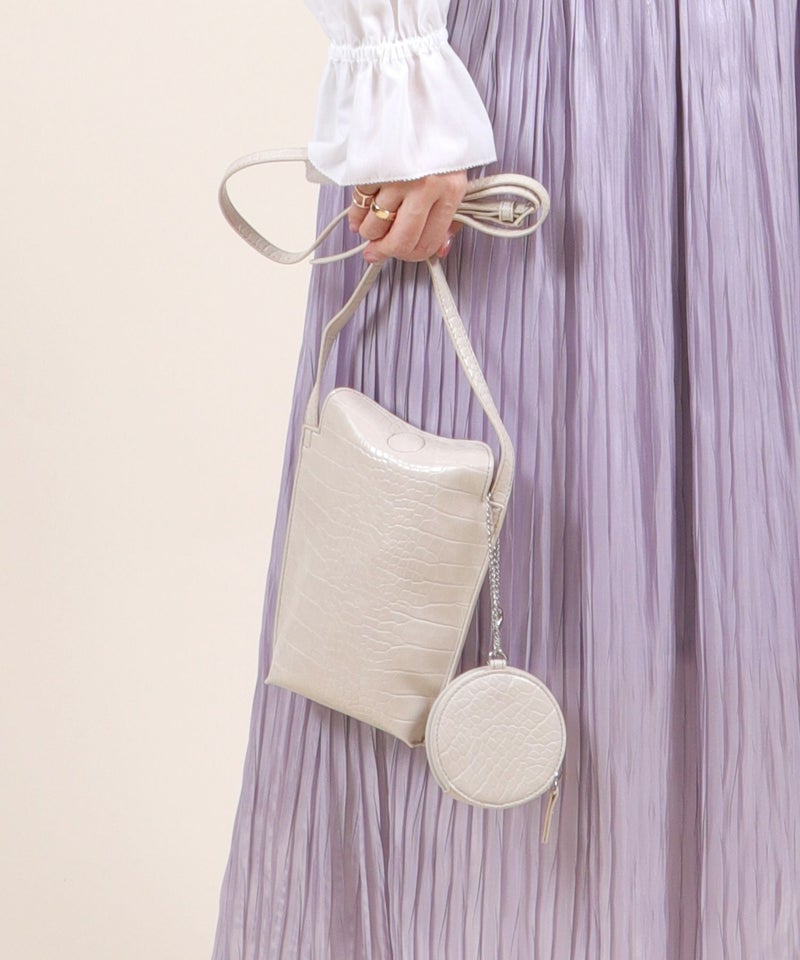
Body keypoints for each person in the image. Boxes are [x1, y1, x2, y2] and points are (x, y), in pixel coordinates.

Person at [211, 1, 800, 957]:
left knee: (743, 595)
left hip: (749, 91)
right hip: (526, 90)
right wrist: (398, 82)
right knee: (441, 608)